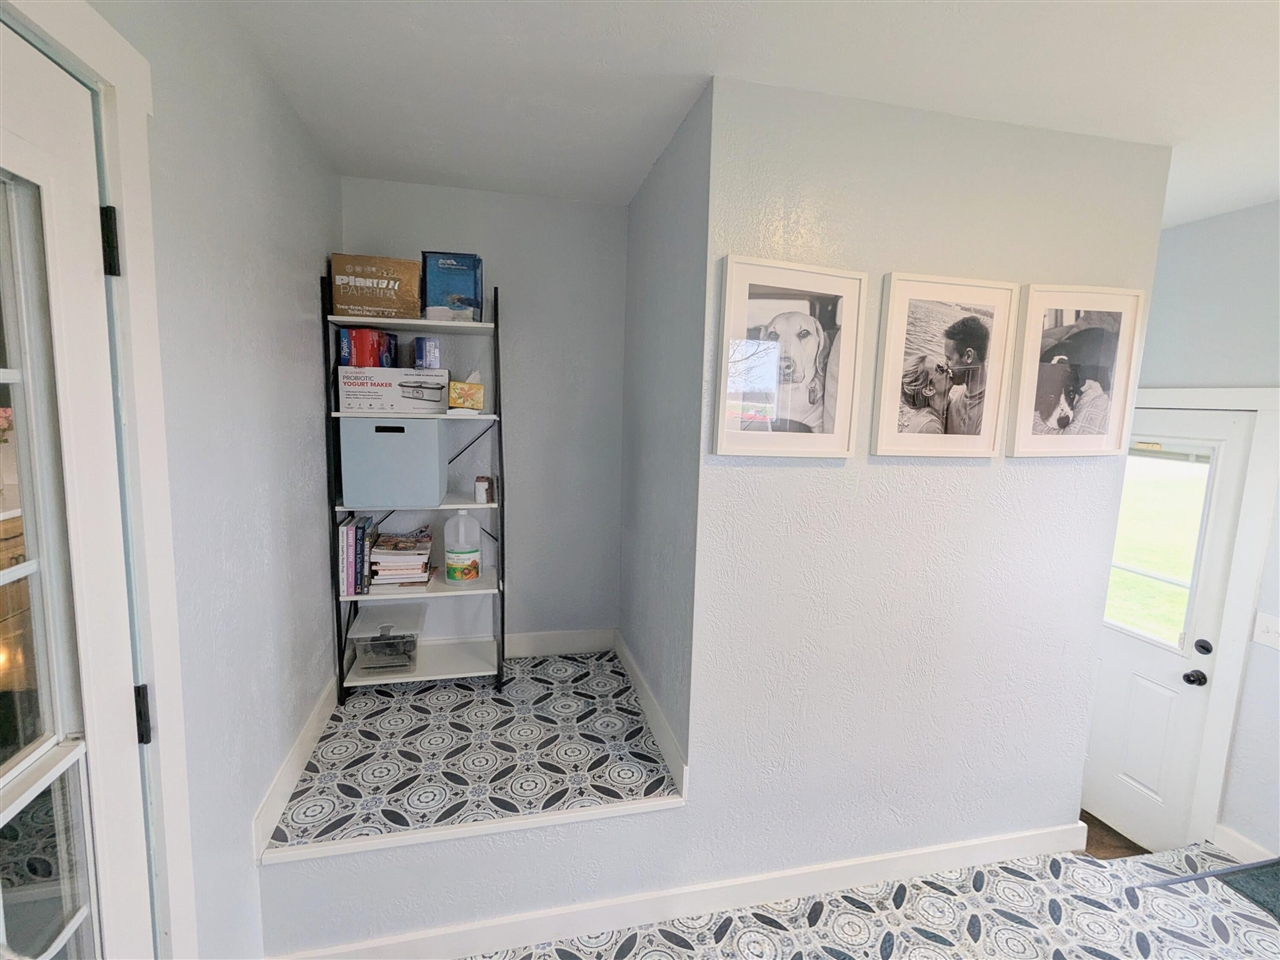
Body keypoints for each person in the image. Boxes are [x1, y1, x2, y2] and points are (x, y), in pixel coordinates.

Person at [943, 316, 989, 435]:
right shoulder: (960, 396)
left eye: (949, 359)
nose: (945, 365)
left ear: (968, 356)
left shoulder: (988, 413)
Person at [900, 353, 950, 434]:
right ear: (929, 390)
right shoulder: (930, 426)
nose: (946, 367)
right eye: (939, 369)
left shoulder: (946, 405)